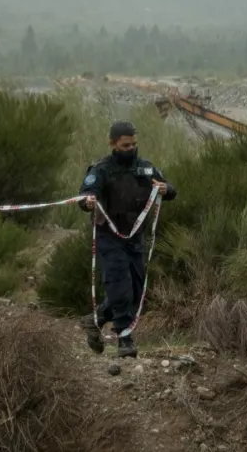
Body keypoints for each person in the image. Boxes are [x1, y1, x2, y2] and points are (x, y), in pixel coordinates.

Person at [78, 121, 177, 358]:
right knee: (120, 286)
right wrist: (88, 201)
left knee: (136, 289)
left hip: (135, 238)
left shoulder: (145, 168)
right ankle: (125, 339)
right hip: (109, 237)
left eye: (133, 144)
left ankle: (95, 320)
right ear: (112, 144)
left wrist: (166, 189)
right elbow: (85, 195)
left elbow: (169, 188)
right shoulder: (101, 169)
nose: (131, 148)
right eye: (125, 145)